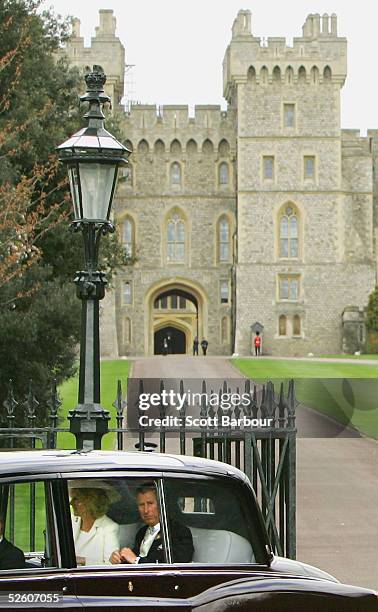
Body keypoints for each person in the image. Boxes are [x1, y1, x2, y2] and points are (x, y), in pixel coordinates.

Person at [110, 484, 193, 564]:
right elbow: (133, 558)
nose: (146, 510)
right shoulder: (142, 532)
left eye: (150, 503)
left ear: (161, 504)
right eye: (141, 505)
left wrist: (136, 561)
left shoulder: (179, 532)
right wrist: (120, 558)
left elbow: (180, 561)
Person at [70, 485, 120, 566]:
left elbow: (110, 564)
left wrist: (83, 560)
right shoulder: (72, 522)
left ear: (90, 502)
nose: (71, 503)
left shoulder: (109, 528)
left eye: (76, 499)